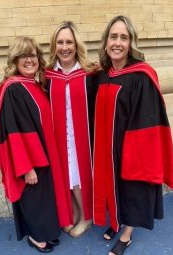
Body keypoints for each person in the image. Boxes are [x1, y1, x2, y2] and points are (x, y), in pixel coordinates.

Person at [93, 15, 173, 255]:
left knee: (131, 188)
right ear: (105, 42)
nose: (118, 42)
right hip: (105, 148)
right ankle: (116, 220)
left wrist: (130, 150)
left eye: (124, 37)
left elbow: (148, 120)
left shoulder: (141, 76)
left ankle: (126, 235)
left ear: (131, 43)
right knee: (112, 187)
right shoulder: (101, 74)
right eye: (113, 37)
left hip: (131, 148)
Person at [0, 36, 71, 253]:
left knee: (43, 198)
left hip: (43, 154)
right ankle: (36, 237)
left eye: (33, 55)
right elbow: (14, 132)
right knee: (34, 198)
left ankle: (44, 232)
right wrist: (26, 167)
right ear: (15, 60)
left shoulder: (34, 85)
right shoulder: (14, 89)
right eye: (23, 56)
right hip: (30, 159)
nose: (29, 60)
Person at [45, 21, 98, 237]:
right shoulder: (47, 76)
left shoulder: (90, 74)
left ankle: (87, 216)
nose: (65, 47)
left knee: (77, 173)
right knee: (65, 174)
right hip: (59, 136)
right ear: (54, 46)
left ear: (77, 45)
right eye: (60, 42)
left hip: (82, 138)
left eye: (69, 42)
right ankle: (75, 212)